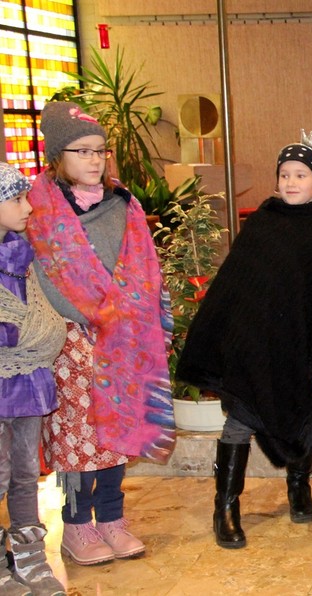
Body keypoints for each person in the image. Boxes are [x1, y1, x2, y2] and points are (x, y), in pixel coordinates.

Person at [176, 130, 312, 549]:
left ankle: (299, 487)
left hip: (300, 347)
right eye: (284, 174)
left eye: (300, 175)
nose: (290, 182)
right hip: (256, 347)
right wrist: (229, 341)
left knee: (306, 417)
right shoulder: (261, 225)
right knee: (240, 420)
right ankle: (225, 507)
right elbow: (236, 286)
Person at [26, 101, 176, 566]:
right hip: (70, 337)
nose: (95, 160)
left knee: (118, 430)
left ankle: (112, 518)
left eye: (100, 151)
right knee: (78, 436)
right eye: (83, 151)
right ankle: (77, 526)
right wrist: (86, 317)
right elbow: (43, 276)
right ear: (58, 155)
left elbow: (143, 267)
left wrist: (133, 317)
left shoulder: (122, 204)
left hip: (125, 337)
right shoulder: (39, 208)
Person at [0, 163, 67, 595]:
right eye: (16, 199)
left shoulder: (23, 256)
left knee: (26, 473)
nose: (27, 207)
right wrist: (19, 332)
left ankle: (30, 557)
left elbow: (41, 318)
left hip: (27, 380)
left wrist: (26, 332)